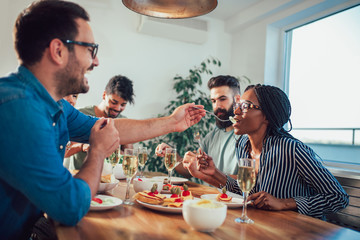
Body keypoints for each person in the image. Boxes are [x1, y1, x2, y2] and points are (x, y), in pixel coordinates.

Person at [0, 1, 205, 239]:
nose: (95, 62)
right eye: (90, 49)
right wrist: (97, 152)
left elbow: (108, 128)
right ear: (58, 51)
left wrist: (171, 122)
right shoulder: (20, 109)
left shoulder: (54, 105)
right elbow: (70, 207)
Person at [183, 84, 349, 219]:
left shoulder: (292, 150)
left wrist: (284, 203)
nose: (236, 111)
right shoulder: (243, 144)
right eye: (238, 105)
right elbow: (248, 193)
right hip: (263, 225)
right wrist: (214, 173)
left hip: (299, 231)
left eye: (245, 106)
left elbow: (338, 197)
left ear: (267, 116)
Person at [156, 75, 240, 178]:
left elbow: (247, 181)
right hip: (208, 194)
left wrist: (211, 174)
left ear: (237, 100)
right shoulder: (212, 136)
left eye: (222, 99)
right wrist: (171, 155)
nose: (217, 106)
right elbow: (188, 170)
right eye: (213, 101)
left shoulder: (248, 137)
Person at [72, 75, 134, 169]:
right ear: (104, 95)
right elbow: (63, 150)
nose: (118, 108)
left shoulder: (123, 121)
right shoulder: (81, 114)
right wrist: (82, 146)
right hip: (78, 177)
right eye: (114, 102)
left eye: (123, 105)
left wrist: (120, 152)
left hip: (109, 180)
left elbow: (129, 158)